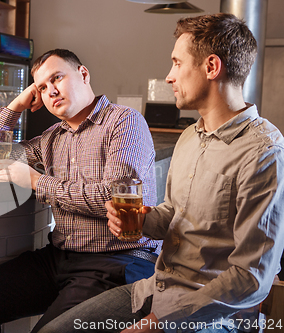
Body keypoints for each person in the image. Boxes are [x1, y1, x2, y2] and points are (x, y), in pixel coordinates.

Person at [37, 13, 284, 333]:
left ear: (211, 67)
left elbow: (252, 278)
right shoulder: (190, 137)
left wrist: (160, 323)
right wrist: (142, 219)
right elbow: (174, 215)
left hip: (212, 312)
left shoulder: (263, 152)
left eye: (177, 64)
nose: (169, 77)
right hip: (155, 288)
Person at [0, 48, 160, 333]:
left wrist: (37, 181)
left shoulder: (124, 121)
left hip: (118, 260)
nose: (50, 91)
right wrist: (15, 106)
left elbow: (115, 200)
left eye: (57, 78)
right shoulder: (52, 138)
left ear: (83, 74)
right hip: (59, 258)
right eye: (42, 87)